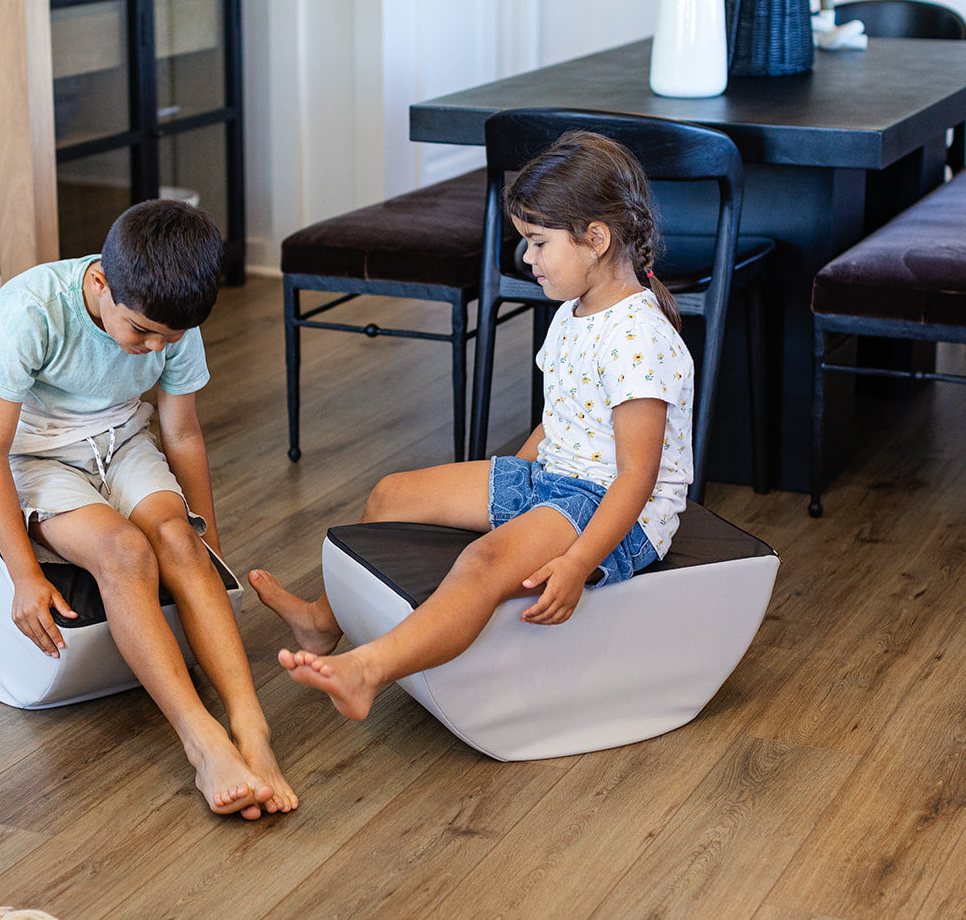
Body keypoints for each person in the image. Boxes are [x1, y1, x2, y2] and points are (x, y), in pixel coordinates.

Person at [251, 131, 695, 721]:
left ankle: (368, 670)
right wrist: (513, 477)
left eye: (538, 243)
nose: (527, 258)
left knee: (482, 566)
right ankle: (321, 622)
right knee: (391, 493)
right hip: (557, 480)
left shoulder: (638, 337)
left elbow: (637, 475)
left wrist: (578, 562)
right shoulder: (573, 313)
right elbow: (562, 417)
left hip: (616, 512)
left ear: (596, 239)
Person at [0, 200, 296, 819]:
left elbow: (184, 434)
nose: (151, 350)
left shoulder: (171, 316)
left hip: (121, 439)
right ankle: (203, 742)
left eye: (166, 340)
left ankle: (252, 730)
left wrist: (209, 544)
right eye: (140, 332)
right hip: (36, 454)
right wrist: (23, 575)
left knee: (176, 539)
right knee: (124, 551)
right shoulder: (30, 310)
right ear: (99, 284)